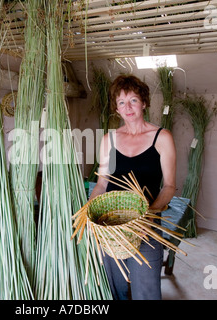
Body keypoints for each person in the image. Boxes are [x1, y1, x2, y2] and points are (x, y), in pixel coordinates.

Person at [89, 74, 177, 300]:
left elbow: (168, 186)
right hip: (113, 225)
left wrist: (147, 217)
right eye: (121, 102)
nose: (127, 107)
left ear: (144, 103)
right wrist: (90, 212)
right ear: (116, 109)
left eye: (133, 100)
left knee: (145, 290)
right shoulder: (110, 139)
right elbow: (102, 182)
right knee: (113, 287)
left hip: (146, 226)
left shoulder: (161, 137)